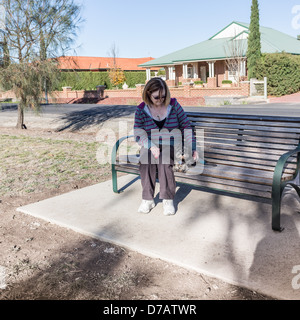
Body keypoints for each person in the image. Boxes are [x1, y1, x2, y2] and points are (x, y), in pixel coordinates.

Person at [134, 77, 199, 215]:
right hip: (150, 144)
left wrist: (192, 148)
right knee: (145, 159)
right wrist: (151, 146)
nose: (160, 100)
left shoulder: (174, 105)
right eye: (156, 97)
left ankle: (168, 200)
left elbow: (186, 126)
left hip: (171, 144)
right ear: (148, 94)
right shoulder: (141, 110)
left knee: (164, 159)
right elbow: (138, 133)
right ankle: (147, 199)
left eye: (163, 96)